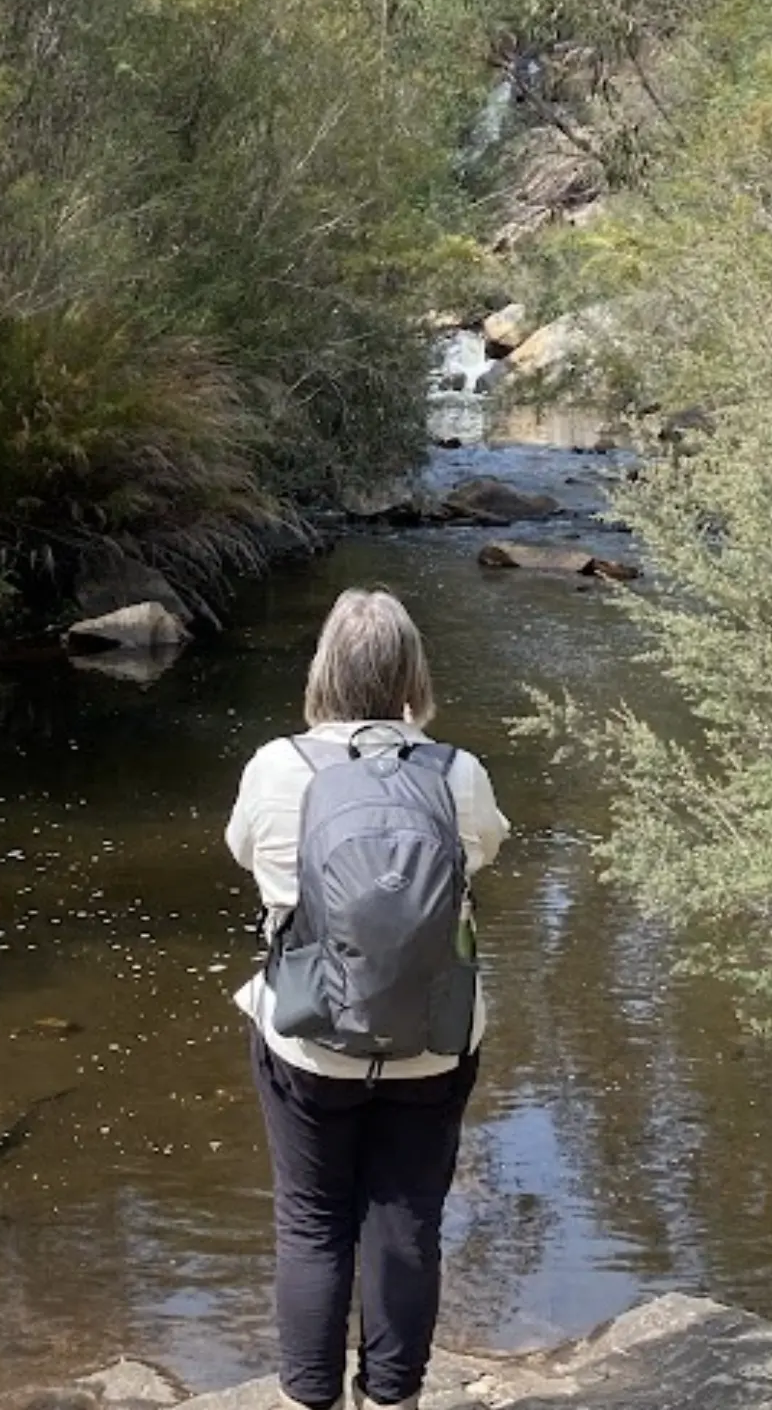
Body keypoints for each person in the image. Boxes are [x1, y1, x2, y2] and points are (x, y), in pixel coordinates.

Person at [226, 588, 508, 1410]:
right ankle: (394, 1400)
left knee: (312, 1221)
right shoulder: (457, 772)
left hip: (309, 1036)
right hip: (433, 1033)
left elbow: (246, 852)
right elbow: (481, 854)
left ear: (322, 674)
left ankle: (308, 1401)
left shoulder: (278, 766)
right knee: (408, 1217)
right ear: (413, 675)